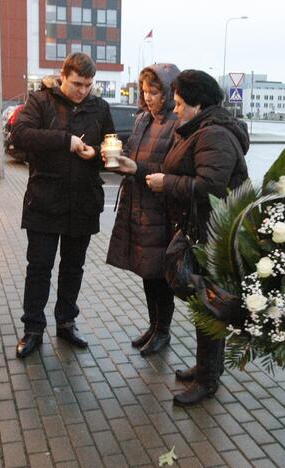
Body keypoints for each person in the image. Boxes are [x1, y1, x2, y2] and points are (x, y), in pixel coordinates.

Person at [112, 69, 249, 405]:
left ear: (197, 104)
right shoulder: (201, 128)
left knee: (209, 306)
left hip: (213, 233)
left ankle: (207, 379)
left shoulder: (213, 134)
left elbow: (210, 187)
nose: (176, 109)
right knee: (205, 304)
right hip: (200, 228)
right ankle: (206, 368)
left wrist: (165, 183)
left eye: (179, 102)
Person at [9, 52, 114, 359]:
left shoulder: (100, 107)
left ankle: (66, 323)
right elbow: (20, 135)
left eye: (88, 85)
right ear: (63, 76)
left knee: (73, 269)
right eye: (77, 84)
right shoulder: (40, 101)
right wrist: (65, 140)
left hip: (83, 202)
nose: (83, 91)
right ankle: (32, 329)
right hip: (44, 201)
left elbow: (111, 145)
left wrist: (95, 153)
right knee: (39, 268)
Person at [104, 64, 182, 356]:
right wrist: (117, 157)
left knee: (161, 276)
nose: (148, 97)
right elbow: (133, 154)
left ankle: (164, 331)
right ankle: (153, 325)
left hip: (161, 211)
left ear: (170, 91)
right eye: (145, 91)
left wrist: (135, 168)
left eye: (155, 91)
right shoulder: (141, 119)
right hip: (138, 206)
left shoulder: (176, 123)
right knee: (147, 273)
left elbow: (172, 169)